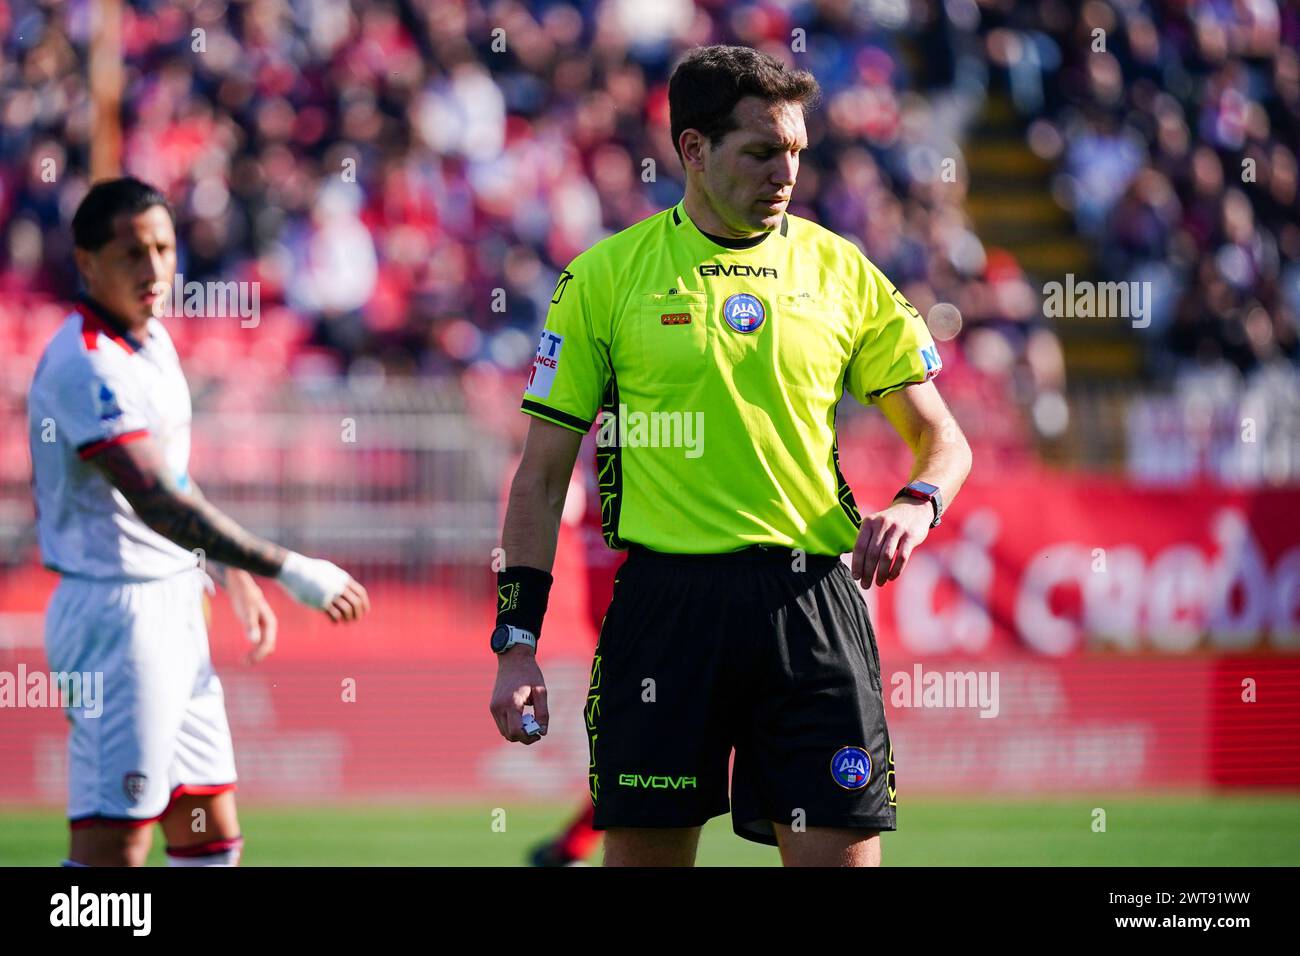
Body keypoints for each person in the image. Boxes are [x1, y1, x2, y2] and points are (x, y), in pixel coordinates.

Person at [488, 45, 971, 867]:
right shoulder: (604, 279)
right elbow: (538, 480)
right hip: (665, 614)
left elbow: (943, 439)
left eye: (795, 152)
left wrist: (916, 502)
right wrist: (517, 642)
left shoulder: (842, 272)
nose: (786, 172)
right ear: (694, 150)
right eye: (761, 152)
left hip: (814, 604)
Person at [27, 176, 371, 866]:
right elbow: (153, 496)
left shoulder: (149, 342)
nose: (154, 268)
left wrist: (228, 565)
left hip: (174, 604)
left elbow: (174, 474)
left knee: (208, 834)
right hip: (117, 616)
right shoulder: (87, 364)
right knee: (111, 850)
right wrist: (285, 568)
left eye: (163, 247)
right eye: (131, 253)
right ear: (87, 261)